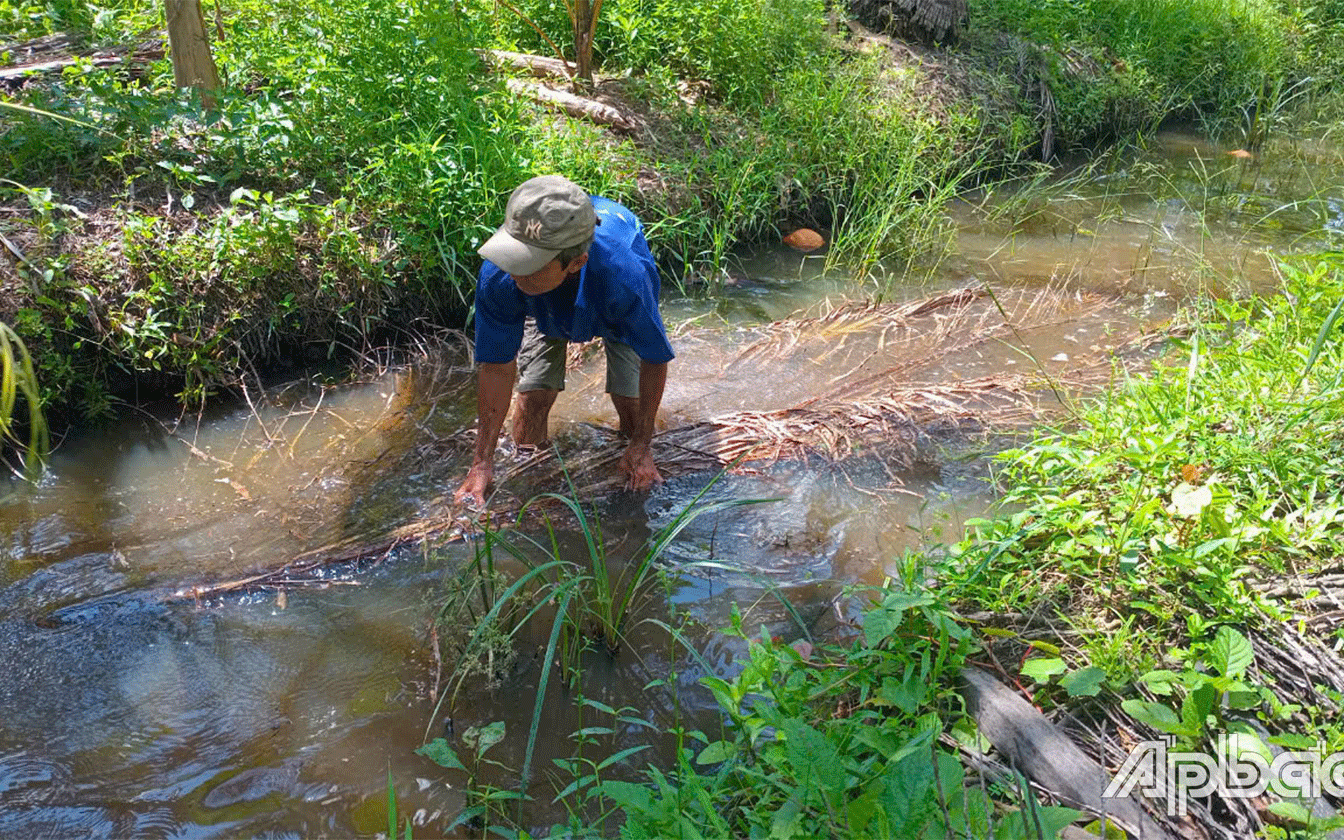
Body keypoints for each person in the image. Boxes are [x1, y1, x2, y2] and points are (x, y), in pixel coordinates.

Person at [453, 175, 674, 506]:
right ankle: (533, 486)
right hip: (542, 301)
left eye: (528, 264)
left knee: (629, 408)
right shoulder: (502, 275)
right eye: (513, 256)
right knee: (533, 399)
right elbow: (497, 367)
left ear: (576, 262)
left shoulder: (624, 278)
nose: (514, 271)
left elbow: (655, 359)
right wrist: (481, 463)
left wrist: (642, 445)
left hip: (609, 301)